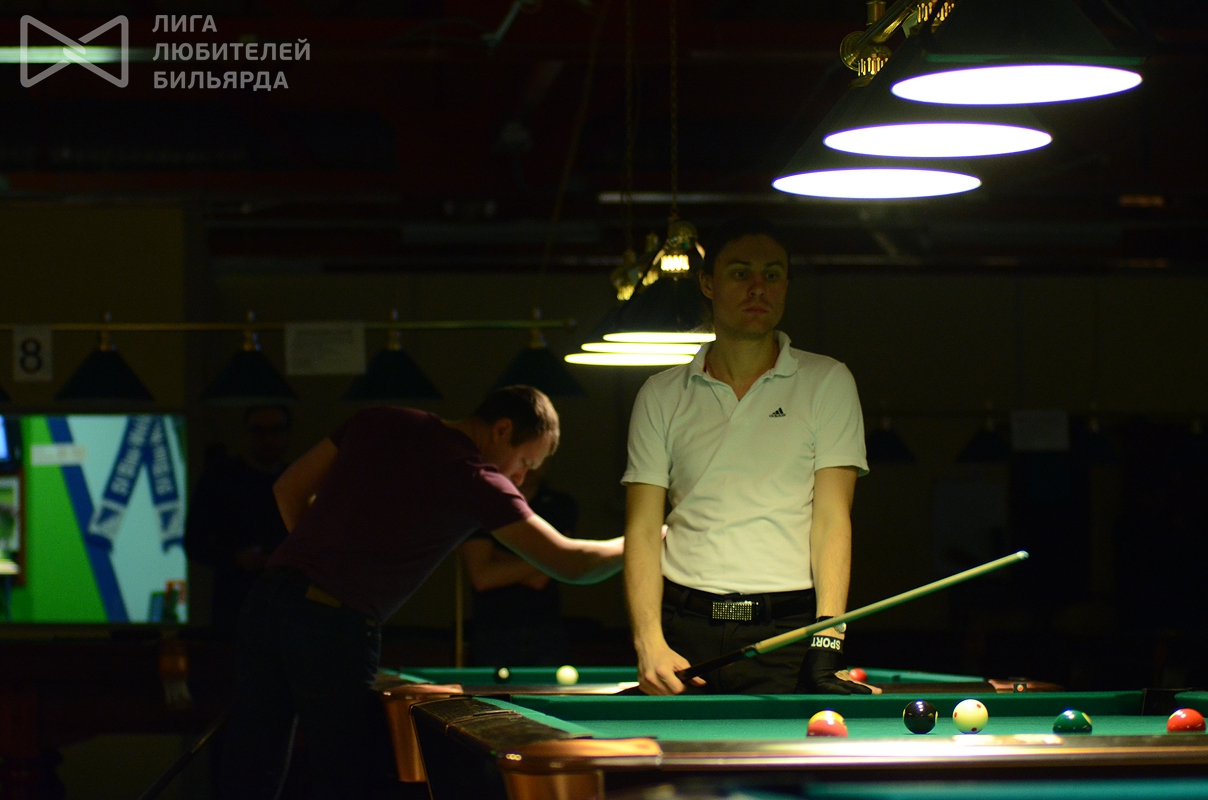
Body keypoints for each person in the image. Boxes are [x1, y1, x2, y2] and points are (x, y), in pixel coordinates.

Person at [219, 386, 624, 799]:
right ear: (502, 429)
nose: (521, 478)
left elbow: (287, 487)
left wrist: (317, 566)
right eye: (525, 462)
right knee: (345, 780)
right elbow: (572, 563)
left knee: (250, 769)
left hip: (267, 599)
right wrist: (648, 539)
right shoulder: (475, 478)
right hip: (334, 624)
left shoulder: (381, 418)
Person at [622, 219, 878, 696]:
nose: (758, 287)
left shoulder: (827, 381)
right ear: (707, 283)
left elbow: (831, 519)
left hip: (788, 633)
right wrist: (648, 641)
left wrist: (829, 640)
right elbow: (641, 528)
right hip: (682, 633)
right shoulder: (660, 394)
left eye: (773, 274)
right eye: (740, 273)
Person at [184, 405, 292, 637]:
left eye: (275, 431)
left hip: (284, 607)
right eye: (259, 431)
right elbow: (194, 542)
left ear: (287, 434)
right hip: (233, 609)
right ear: (247, 434)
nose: (268, 439)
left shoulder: (296, 482)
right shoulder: (219, 480)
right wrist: (234, 558)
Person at [460, 461, 576, 667]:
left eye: (535, 459)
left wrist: (496, 557)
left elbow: (540, 579)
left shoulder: (561, 505)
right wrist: (547, 559)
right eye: (523, 459)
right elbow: (482, 577)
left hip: (546, 632)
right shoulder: (485, 504)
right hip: (491, 632)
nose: (529, 467)